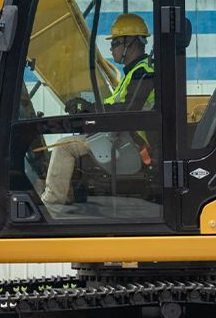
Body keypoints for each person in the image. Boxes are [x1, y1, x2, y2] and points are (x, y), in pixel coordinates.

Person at [39, 13, 157, 205]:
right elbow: (114, 105)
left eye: (115, 43)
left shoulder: (144, 73)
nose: (111, 48)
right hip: (121, 136)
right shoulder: (133, 73)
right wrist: (87, 109)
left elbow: (128, 110)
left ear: (130, 43)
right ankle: (67, 198)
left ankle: (52, 203)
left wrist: (90, 108)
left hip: (131, 141)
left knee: (64, 147)